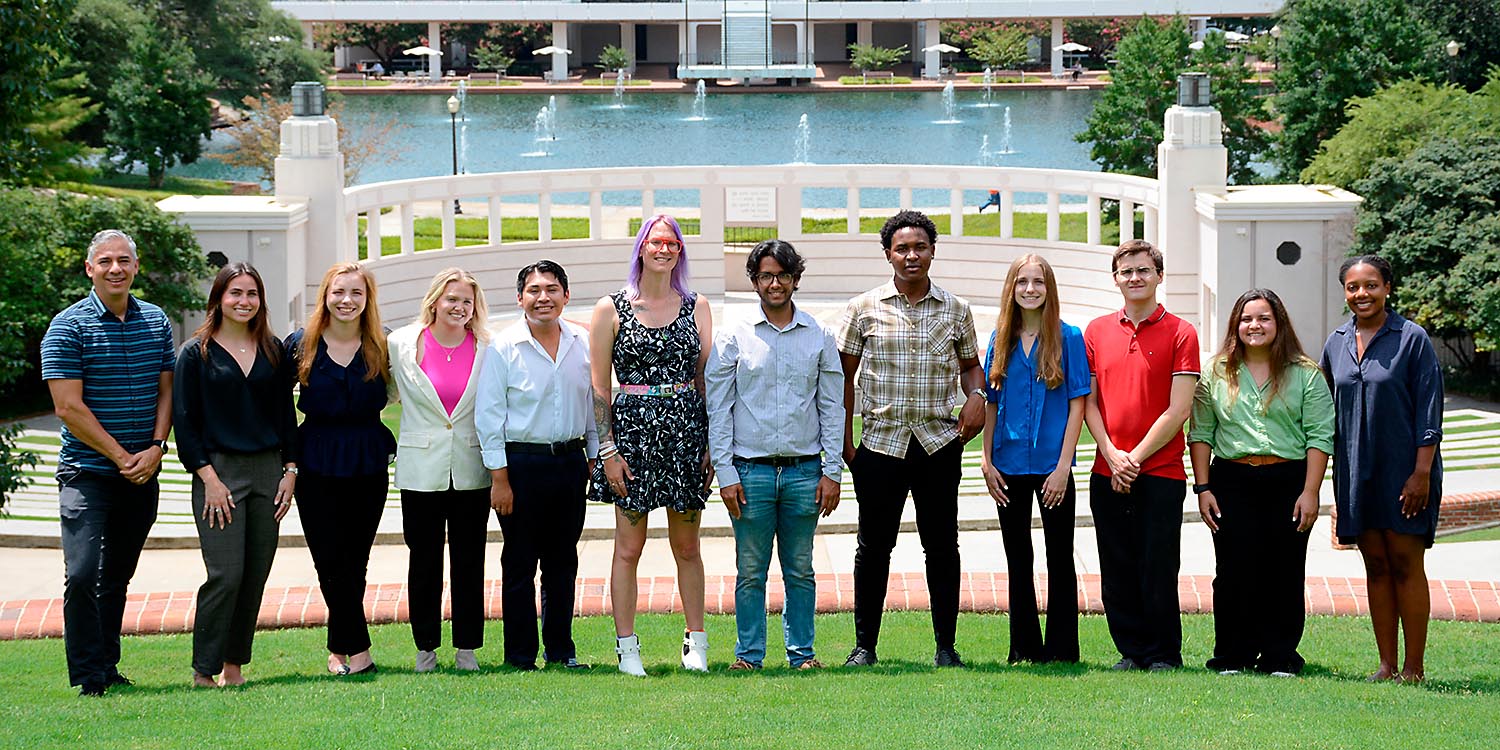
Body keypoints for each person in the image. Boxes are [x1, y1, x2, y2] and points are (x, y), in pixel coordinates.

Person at [836, 209, 987, 668]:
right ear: (888, 254)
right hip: (879, 446)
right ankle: (865, 647)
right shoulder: (863, 309)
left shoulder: (956, 310)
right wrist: (846, 443)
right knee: (873, 547)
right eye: (902, 248)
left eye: (920, 246)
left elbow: (970, 366)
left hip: (939, 444)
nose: (911, 255)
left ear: (933, 251)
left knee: (942, 546)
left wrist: (977, 394)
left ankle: (946, 647)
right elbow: (842, 378)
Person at [41, 229, 174, 697]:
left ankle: (107, 667)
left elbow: (166, 390)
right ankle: (88, 676)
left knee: (116, 574)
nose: (115, 268)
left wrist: (157, 447)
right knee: (82, 573)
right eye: (105, 261)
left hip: (143, 472)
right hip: (87, 474)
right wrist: (121, 456)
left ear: (136, 268)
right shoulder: (68, 327)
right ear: (89, 269)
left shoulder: (156, 321)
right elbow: (68, 408)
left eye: (124, 260)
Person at [705, 239, 844, 671]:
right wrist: (725, 472)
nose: (775, 283)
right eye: (766, 275)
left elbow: (832, 407)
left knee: (800, 569)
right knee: (750, 571)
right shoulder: (734, 335)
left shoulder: (819, 335)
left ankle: (803, 655)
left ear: (795, 279)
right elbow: (719, 407)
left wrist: (832, 471)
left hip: (805, 471)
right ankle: (748, 656)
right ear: (754, 281)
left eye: (783, 275)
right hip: (750, 473)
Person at [589, 215, 713, 676]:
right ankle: (627, 647)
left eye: (673, 243)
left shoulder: (696, 305)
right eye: (655, 241)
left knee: (687, 545)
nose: (664, 249)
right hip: (632, 437)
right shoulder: (612, 308)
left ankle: (695, 642)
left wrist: (708, 445)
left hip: (683, 434)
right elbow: (600, 387)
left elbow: (703, 379)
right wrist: (608, 451)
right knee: (628, 547)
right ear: (641, 248)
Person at [1189, 288, 1334, 676]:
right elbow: (1201, 433)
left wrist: (1310, 491)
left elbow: (1320, 435)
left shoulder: (1306, 373)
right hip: (1231, 480)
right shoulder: (1216, 372)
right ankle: (1232, 656)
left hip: (1289, 480)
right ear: (1236, 325)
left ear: (1279, 323)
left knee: (1284, 571)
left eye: (1264, 318)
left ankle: (1279, 656)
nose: (1255, 326)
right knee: (1234, 571)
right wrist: (1203, 489)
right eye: (1247, 318)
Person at [173, 262, 298, 687]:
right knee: (225, 574)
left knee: (255, 573)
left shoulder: (273, 349)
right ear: (219, 298)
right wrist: (208, 478)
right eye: (235, 293)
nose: (244, 301)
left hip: (268, 471)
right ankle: (203, 669)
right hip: (219, 474)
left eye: (252, 294)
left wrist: (290, 470)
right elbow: (185, 424)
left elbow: (286, 416)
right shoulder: (196, 353)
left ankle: (234, 666)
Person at [1320, 255, 1443, 683]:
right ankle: (1386, 664)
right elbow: (1323, 409)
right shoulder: (1335, 342)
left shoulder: (1412, 339)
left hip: (1407, 471)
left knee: (1406, 563)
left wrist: (1421, 473)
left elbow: (1430, 409)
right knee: (1374, 564)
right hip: (1355, 470)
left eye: (1371, 285)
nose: (1362, 294)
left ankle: (1414, 668)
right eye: (1353, 287)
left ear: (1387, 287)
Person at [1083, 239, 1199, 672]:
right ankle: (1131, 651)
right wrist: (1113, 455)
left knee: (1158, 564)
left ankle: (1164, 653)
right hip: (1106, 468)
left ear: (1158, 276)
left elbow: (1179, 408)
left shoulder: (1182, 331)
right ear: (1115, 279)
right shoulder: (1096, 331)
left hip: (1162, 471)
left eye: (1143, 270)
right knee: (1116, 566)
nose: (1135, 278)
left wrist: (1133, 458)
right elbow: (1088, 402)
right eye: (1126, 271)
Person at [477, 260, 598, 672]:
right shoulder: (503, 346)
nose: (542, 297)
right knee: (519, 563)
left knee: (563, 562)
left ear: (566, 295)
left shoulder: (583, 342)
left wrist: (596, 459)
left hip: (569, 462)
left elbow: (593, 408)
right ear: (519, 298)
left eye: (551, 289)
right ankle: (520, 655)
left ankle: (562, 651)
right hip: (521, 465)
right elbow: (489, 417)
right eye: (533, 290)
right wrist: (500, 479)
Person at [287, 262, 396, 677]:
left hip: (368, 461)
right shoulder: (301, 344)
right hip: (315, 460)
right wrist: (288, 463)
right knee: (328, 560)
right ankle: (359, 650)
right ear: (325, 296)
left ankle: (338, 648)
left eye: (356, 293)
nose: (347, 301)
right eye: (338, 292)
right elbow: (275, 403)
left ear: (368, 299)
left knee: (356, 561)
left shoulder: (382, 345)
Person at [978, 254, 1089, 664]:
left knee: (1059, 556)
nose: (1029, 289)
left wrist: (1063, 467)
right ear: (1011, 289)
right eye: (1021, 281)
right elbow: (991, 403)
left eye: (1038, 281)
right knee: (1017, 555)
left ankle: (1061, 650)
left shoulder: (1069, 337)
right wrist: (986, 461)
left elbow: (1078, 405)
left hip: (1051, 468)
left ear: (1049, 288)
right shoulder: (999, 340)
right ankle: (1023, 647)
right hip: (1007, 465)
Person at [388, 268, 491, 673]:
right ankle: (425, 649)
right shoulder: (401, 344)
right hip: (420, 470)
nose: (459, 307)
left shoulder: (487, 346)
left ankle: (467, 648)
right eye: (452, 299)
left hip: (470, 467)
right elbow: (383, 394)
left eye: (466, 301)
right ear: (434, 300)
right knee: (424, 560)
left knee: (470, 560)